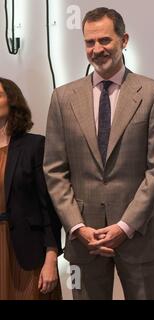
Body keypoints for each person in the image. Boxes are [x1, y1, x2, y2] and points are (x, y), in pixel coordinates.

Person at [43, 7, 154, 300]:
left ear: (124, 39)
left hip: (137, 236)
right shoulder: (62, 98)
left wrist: (124, 227)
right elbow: (54, 170)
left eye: (105, 40)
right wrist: (77, 226)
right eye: (90, 42)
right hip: (84, 240)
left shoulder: (153, 93)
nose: (97, 49)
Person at [0, 78, 62, 300]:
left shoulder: (34, 146)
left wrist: (51, 257)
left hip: (27, 252)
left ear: (12, 102)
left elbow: (49, 207)